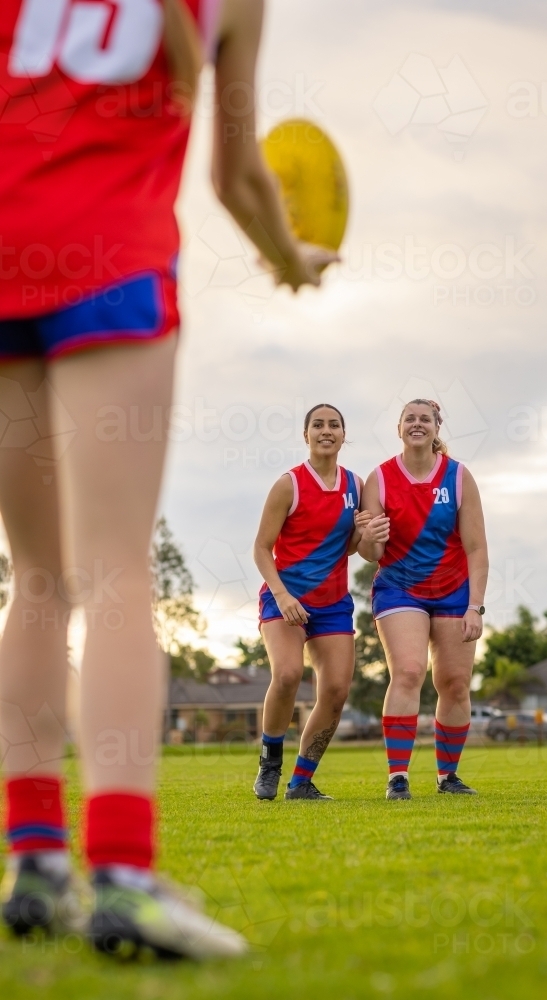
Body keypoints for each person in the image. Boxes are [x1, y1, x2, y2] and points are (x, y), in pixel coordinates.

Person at [0, 0, 337, 960]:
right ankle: (121, 874)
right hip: (107, 260)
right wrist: (292, 262)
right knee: (112, 570)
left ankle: (34, 864)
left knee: (34, 575)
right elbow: (235, 177)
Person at [357, 399, 488, 800]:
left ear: (436, 427)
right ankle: (398, 776)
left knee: (454, 683)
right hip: (400, 587)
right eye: (409, 419)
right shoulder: (378, 478)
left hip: (454, 591)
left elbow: (477, 548)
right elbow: (370, 554)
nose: (417, 425)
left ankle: (448, 777)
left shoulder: (460, 476)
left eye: (424, 419)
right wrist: (370, 538)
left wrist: (475, 606)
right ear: (399, 429)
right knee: (409, 671)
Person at [253, 404, 368, 801]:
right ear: (306, 435)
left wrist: (369, 533)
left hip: (333, 604)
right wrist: (282, 596)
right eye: (318, 425)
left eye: (334, 425)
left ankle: (301, 781)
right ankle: (269, 763)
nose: (326, 430)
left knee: (335, 692)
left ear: (343, 434)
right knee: (286, 675)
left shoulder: (356, 485)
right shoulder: (289, 484)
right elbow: (261, 549)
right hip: (284, 598)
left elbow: (354, 547)